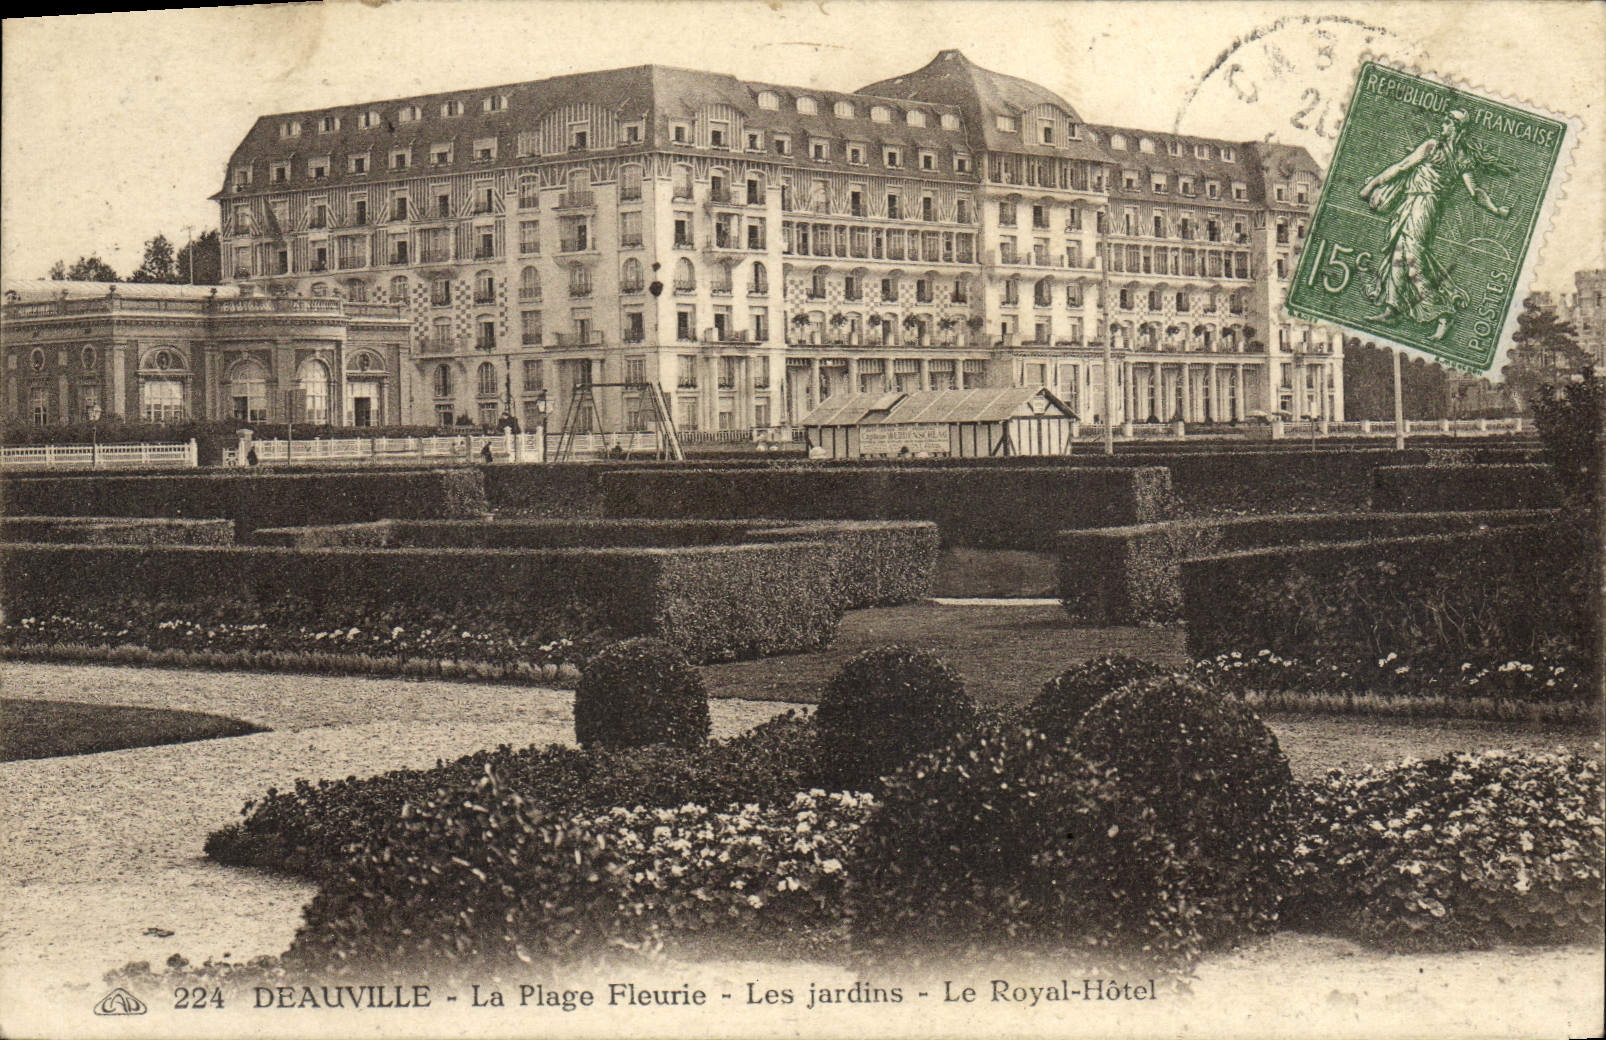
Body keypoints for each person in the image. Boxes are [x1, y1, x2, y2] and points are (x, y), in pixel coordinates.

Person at [1357, 109, 1515, 341]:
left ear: (1457, 129)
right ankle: (1392, 309)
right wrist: (1496, 210)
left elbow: (1403, 167)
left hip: (1424, 204)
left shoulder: (1440, 149)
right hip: (1414, 202)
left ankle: (1444, 313)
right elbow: (1475, 192)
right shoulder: (1454, 154)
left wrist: (1371, 186)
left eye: (1448, 122)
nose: (1443, 124)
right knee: (1398, 255)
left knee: (1412, 260)